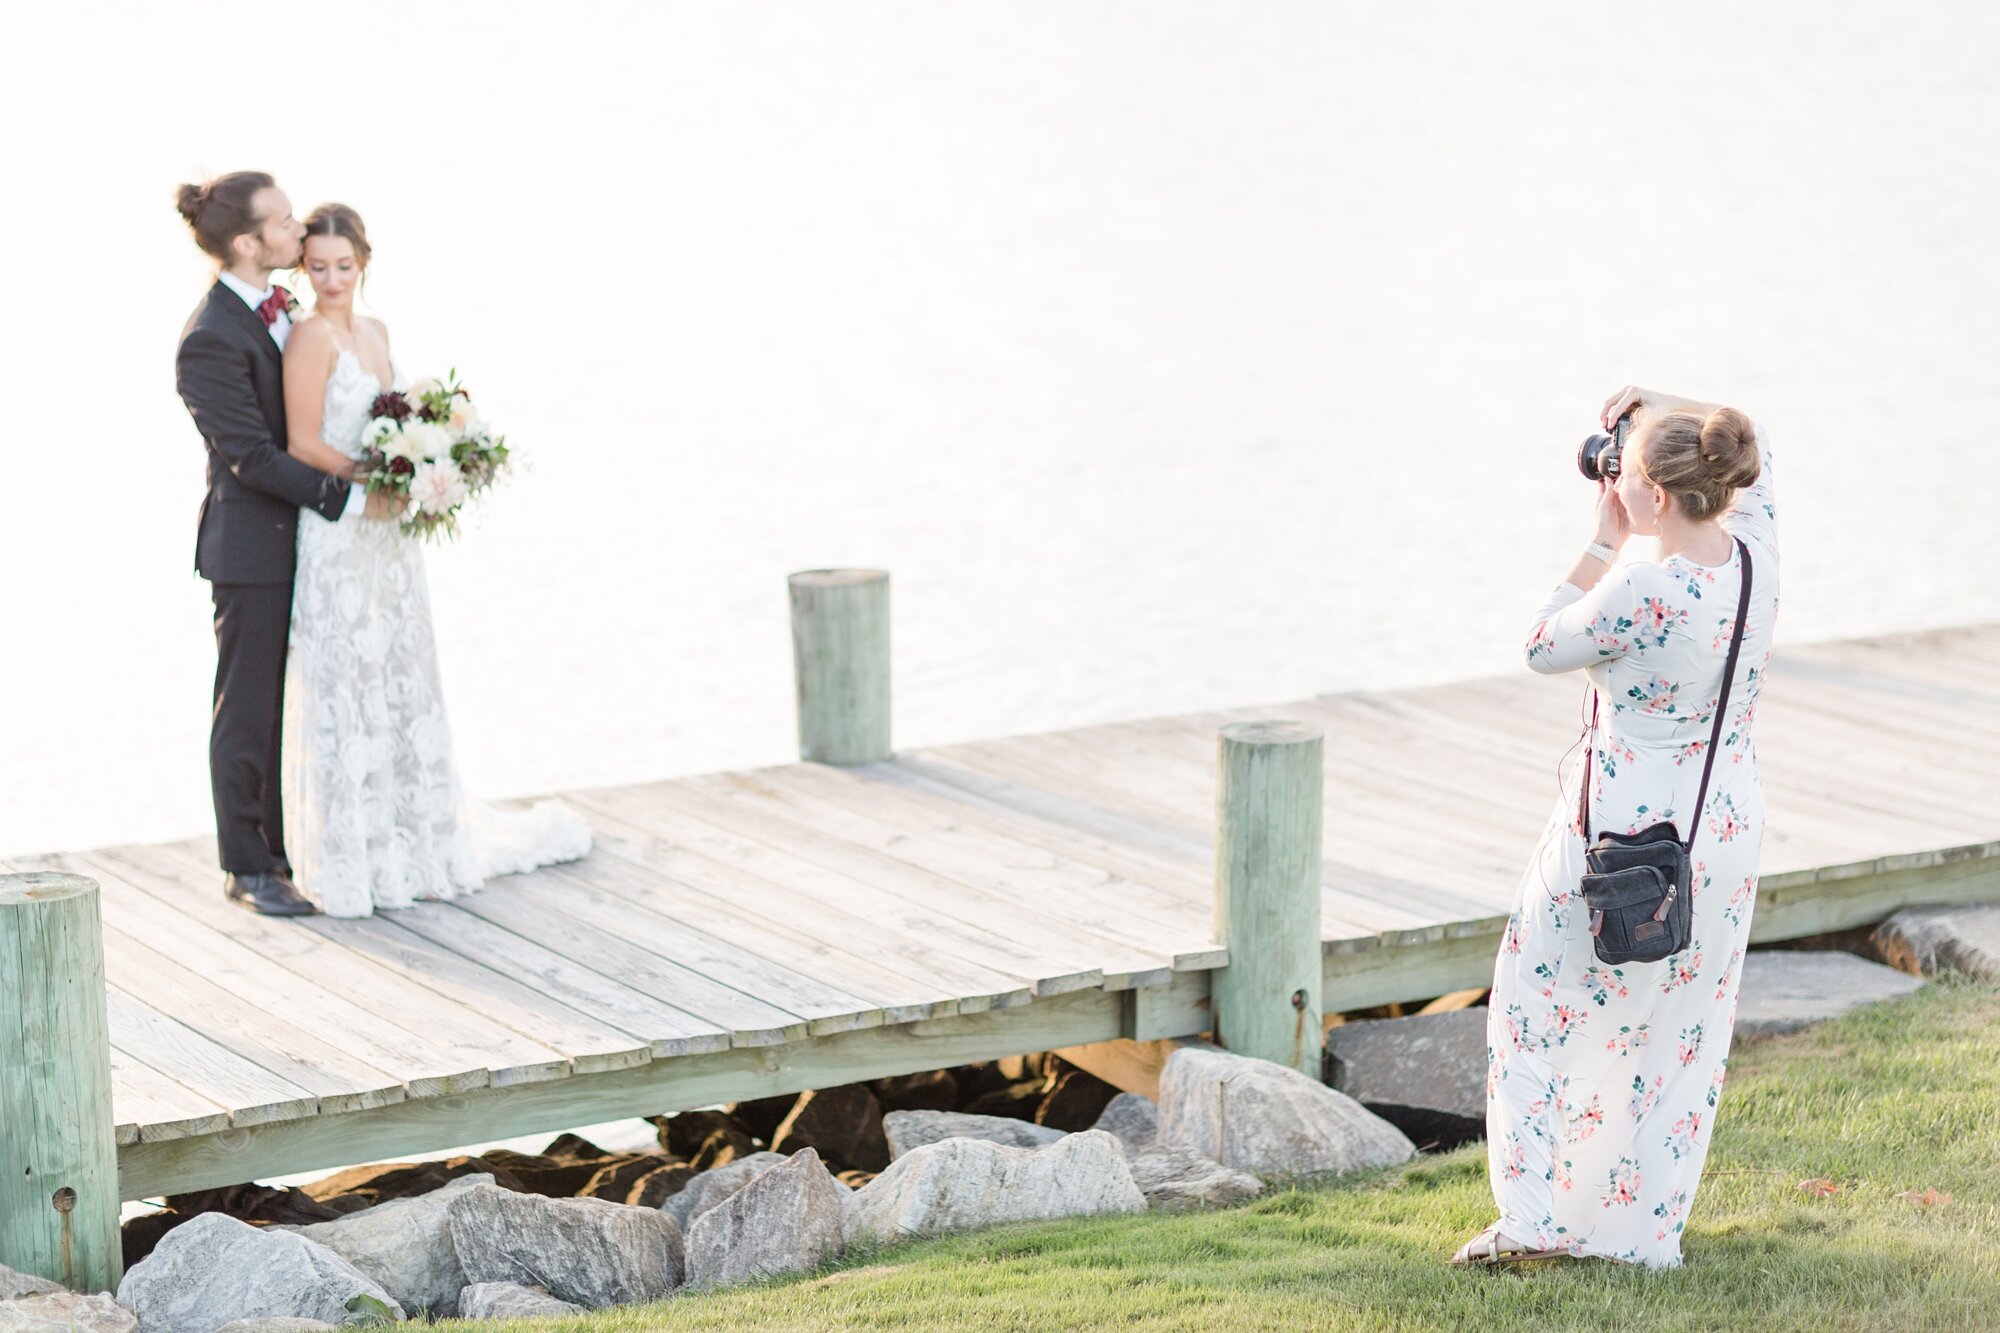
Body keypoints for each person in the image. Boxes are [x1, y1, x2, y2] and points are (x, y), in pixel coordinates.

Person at [1453, 385, 1778, 1268]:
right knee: (1682, 1030)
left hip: (1623, 834)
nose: (1617, 481)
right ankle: (1640, 1234)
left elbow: (1538, 644)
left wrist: (1602, 538)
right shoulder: (1756, 551)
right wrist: (1664, 406)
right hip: (1723, 829)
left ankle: (1533, 1221)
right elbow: (1764, 449)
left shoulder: (1641, 582)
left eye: (1627, 473)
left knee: (1533, 1008)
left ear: (1659, 498)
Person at [278, 203, 591, 917]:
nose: (331, 280)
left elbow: (399, 418)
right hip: (342, 532)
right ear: (304, 268)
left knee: (397, 676)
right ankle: (355, 858)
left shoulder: (377, 331)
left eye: (344, 266)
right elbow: (302, 443)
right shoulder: (308, 337)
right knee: (347, 681)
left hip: (390, 540)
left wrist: (425, 467)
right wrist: (382, 479)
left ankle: (413, 847)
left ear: (364, 261)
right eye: (318, 267)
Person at [174, 172, 396, 916]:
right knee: (248, 705)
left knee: (313, 697)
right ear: (248, 242)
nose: (299, 231)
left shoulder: (282, 309)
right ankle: (249, 865)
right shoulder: (208, 337)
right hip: (250, 547)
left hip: (307, 539)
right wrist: (354, 495)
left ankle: (299, 843)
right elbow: (255, 458)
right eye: (284, 222)